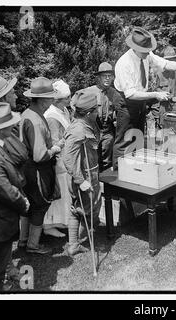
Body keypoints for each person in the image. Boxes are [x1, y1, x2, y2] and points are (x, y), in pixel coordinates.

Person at [113, 27, 176, 169]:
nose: (147, 53)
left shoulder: (146, 54)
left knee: (137, 136)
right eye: (144, 51)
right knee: (124, 139)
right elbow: (130, 94)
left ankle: (135, 170)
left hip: (140, 100)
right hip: (126, 102)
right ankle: (118, 173)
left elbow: (166, 64)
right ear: (134, 48)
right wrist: (156, 94)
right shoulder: (124, 63)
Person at [0, 102, 30, 291]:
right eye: (10, 123)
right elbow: (4, 189)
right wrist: (23, 203)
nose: (13, 126)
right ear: (2, 128)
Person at [19, 77, 63, 254]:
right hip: (37, 170)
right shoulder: (36, 120)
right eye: (51, 97)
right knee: (39, 205)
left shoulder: (28, 113)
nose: (53, 100)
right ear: (44, 100)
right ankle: (33, 245)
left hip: (27, 169)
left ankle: (23, 241)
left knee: (29, 205)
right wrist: (56, 148)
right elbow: (39, 155)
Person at [62, 89, 102, 256]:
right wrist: (81, 180)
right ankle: (84, 238)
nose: (98, 111)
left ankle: (73, 245)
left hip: (85, 173)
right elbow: (68, 157)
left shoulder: (82, 123)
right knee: (90, 209)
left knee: (76, 208)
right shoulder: (78, 129)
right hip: (84, 175)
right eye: (96, 109)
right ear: (88, 113)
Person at [42, 80, 72, 238]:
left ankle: (63, 221)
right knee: (57, 192)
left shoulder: (64, 110)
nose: (69, 100)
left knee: (65, 192)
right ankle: (49, 225)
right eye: (66, 98)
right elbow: (54, 141)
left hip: (67, 157)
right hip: (58, 160)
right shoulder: (52, 116)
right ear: (56, 100)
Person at [84, 62, 122, 171]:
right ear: (98, 78)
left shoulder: (115, 94)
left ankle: (105, 184)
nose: (107, 78)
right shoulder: (89, 92)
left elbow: (121, 110)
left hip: (107, 132)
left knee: (107, 162)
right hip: (92, 131)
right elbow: (77, 108)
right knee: (92, 160)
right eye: (104, 76)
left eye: (109, 76)